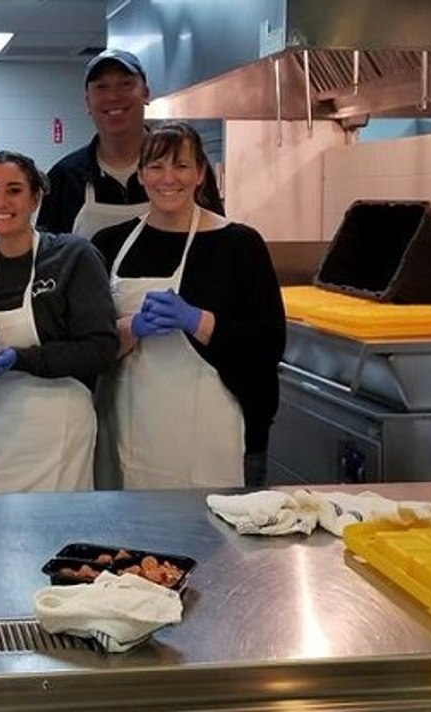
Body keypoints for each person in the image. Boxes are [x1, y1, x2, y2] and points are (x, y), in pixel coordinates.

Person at [90, 122, 285, 489]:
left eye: (181, 166)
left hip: (213, 432)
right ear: (141, 175)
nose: (168, 178)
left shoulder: (239, 244)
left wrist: (200, 321)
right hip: (130, 428)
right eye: (156, 166)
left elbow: (269, 344)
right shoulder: (111, 243)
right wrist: (131, 327)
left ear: (199, 174)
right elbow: (91, 343)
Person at [0, 150, 118, 494]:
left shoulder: (72, 257)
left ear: (36, 197)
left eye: (14, 190)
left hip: (55, 435)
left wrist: (18, 359)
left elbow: (101, 349)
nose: (0, 201)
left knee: (50, 538)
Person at [38, 48, 223, 240]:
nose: (113, 96)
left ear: (146, 94)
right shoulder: (65, 177)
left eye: (126, 84)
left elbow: (217, 238)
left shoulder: (185, 168)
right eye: (101, 87)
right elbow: (49, 259)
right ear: (88, 102)